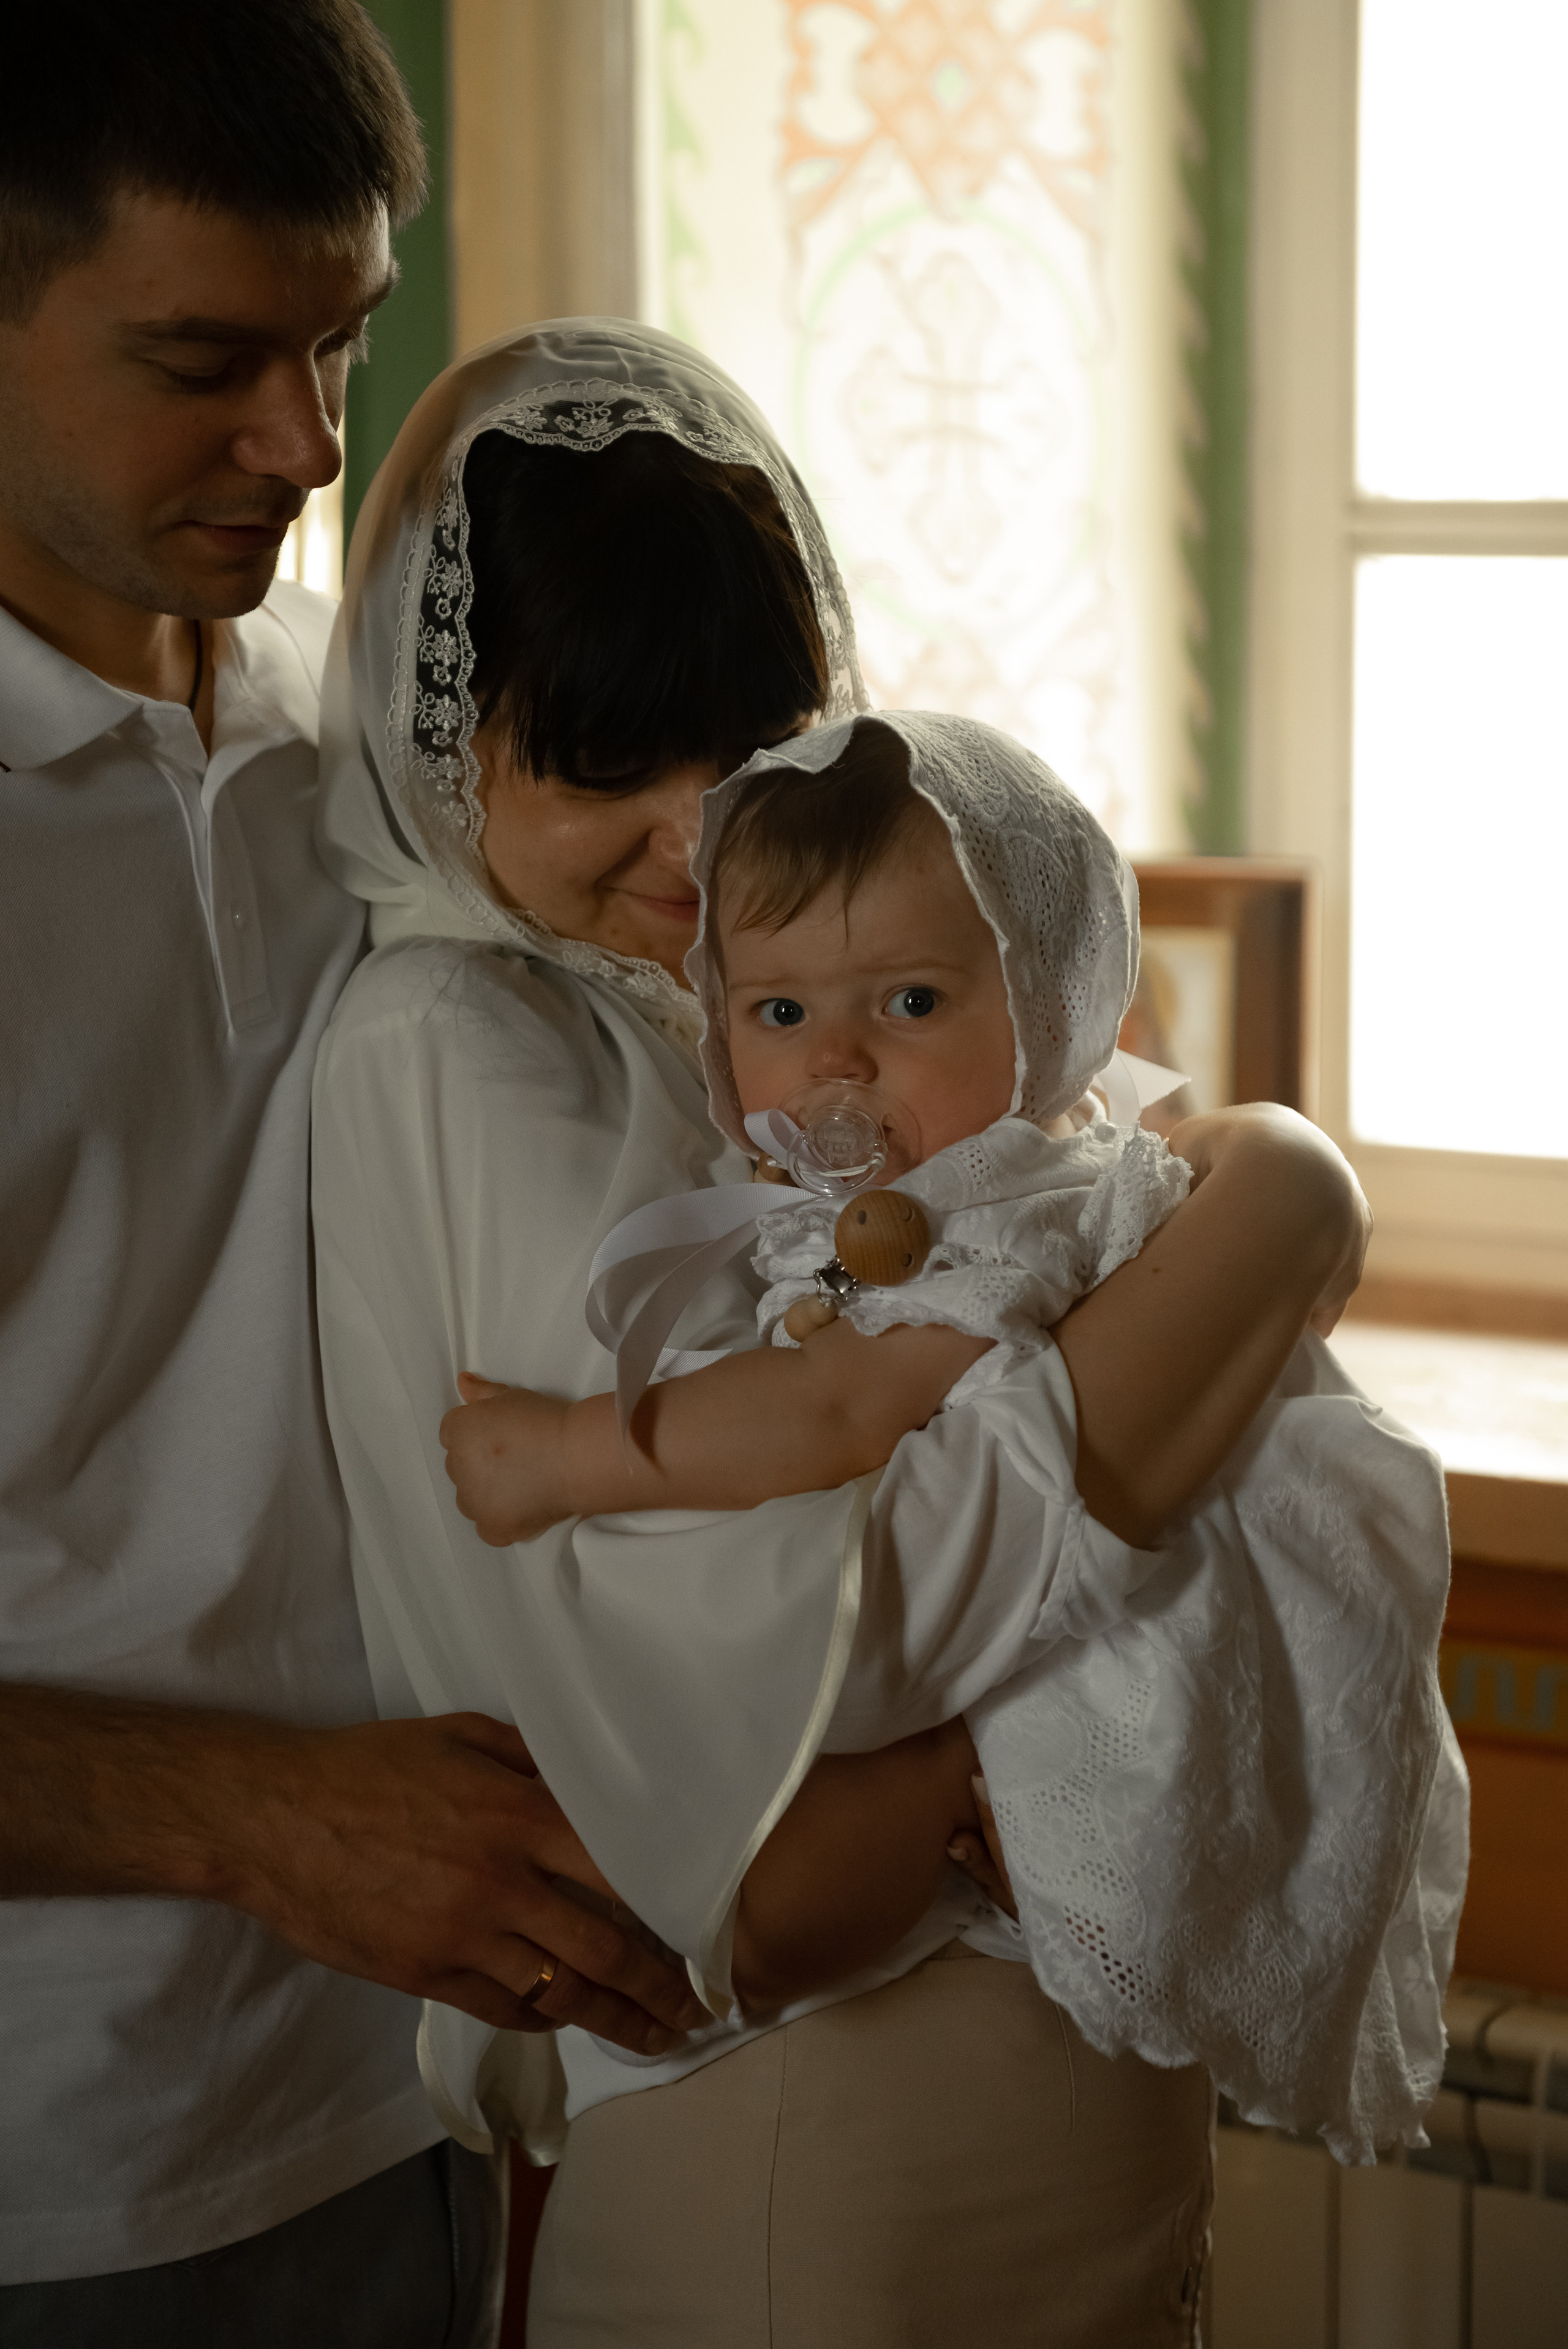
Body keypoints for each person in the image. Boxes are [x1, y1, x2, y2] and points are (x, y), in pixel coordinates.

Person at [312, 319, 1380, 2345]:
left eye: (747, 745)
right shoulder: (463, 1043)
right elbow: (852, 1616)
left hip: (1036, 2053)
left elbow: (1085, 1177)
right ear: (448, 734)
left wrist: (1257, 1180)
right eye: (604, 761)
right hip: (804, 2118)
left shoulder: (758, 978)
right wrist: (1288, 1212)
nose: (701, 831)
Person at [0, 10, 698, 2339]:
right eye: (206, 357)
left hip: (438, 2082)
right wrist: (262, 1818)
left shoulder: (397, 750)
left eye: (339, 342)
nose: (309, 442)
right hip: (57, 2169)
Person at [450, 708, 1466, 2158]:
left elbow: (837, 1411)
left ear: (1050, 1007)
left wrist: (568, 1456)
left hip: (1149, 1604)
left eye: (910, 1005)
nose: (835, 1067)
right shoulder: (852, 1204)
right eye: (778, 1014)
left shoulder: (1013, 1198)